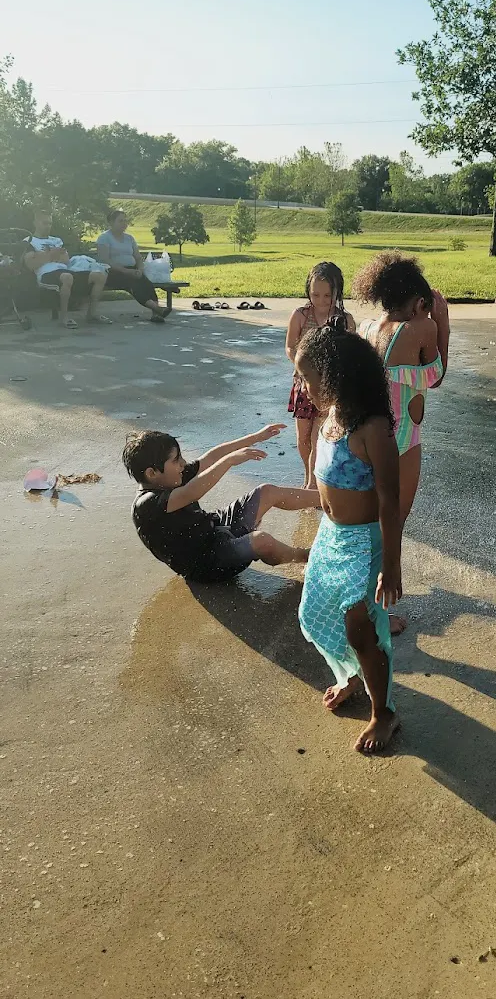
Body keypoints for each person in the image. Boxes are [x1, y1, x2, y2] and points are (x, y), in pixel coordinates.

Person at [295, 322, 402, 755]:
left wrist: (391, 566)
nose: (303, 388)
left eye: (308, 378)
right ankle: (352, 677)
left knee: (361, 630)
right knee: (315, 613)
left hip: (365, 545)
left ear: (337, 377)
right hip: (331, 537)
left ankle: (385, 713)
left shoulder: (372, 428)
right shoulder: (332, 418)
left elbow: (390, 502)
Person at [123, 423, 321, 584]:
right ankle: (307, 557)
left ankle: (327, 498)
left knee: (267, 491)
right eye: (176, 460)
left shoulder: (171, 477)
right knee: (262, 541)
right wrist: (229, 462)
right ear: (152, 473)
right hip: (207, 564)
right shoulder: (147, 504)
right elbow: (193, 491)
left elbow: (210, 457)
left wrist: (256, 437)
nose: (183, 464)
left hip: (215, 528)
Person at [353, 251, 450, 527]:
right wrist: (443, 324)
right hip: (403, 436)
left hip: (368, 432)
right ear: (420, 303)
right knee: (396, 519)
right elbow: (435, 377)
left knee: (370, 515)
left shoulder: (367, 328)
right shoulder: (422, 328)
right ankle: (388, 568)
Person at [285, 262, 355, 487]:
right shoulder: (300, 316)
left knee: (319, 437)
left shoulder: (345, 320)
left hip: (330, 389)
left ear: (337, 292)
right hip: (303, 385)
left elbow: (352, 355)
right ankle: (309, 474)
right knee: (303, 438)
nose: (322, 301)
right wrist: (303, 367)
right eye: (315, 294)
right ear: (308, 291)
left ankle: (314, 484)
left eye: (328, 295)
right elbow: (289, 347)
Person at [23, 210, 109, 328]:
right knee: (67, 277)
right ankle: (64, 318)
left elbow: (65, 260)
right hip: (46, 274)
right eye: (44, 223)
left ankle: (92, 314)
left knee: (100, 276)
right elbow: (31, 264)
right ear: (35, 223)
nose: (48, 226)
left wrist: (43, 256)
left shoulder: (56, 240)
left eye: (50, 223)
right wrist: (52, 255)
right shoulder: (29, 241)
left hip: (66, 270)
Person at [97, 210, 170, 323]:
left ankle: (156, 314)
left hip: (132, 270)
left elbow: (138, 257)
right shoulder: (104, 238)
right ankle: (157, 308)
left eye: (125, 221)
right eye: (120, 221)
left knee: (147, 284)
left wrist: (140, 270)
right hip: (112, 272)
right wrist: (125, 271)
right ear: (111, 222)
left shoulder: (129, 238)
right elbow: (105, 260)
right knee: (133, 284)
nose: (124, 223)